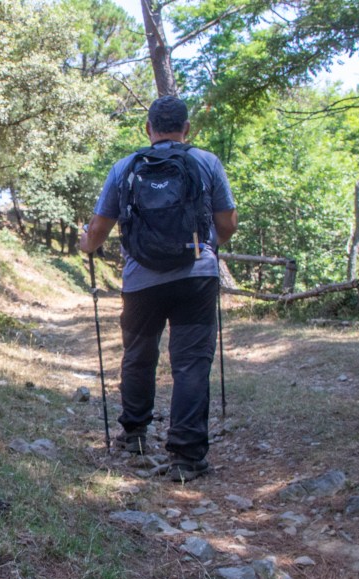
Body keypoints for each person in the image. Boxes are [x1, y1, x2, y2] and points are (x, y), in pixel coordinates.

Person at [79, 95, 237, 482]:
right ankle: (187, 456)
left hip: (140, 280)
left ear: (147, 129)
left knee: (138, 355)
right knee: (191, 363)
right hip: (196, 275)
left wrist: (86, 244)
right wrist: (208, 246)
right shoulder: (206, 162)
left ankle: (134, 435)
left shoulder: (125, 167)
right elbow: (228, 223)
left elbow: (98, 231)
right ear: (187, 129)